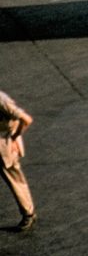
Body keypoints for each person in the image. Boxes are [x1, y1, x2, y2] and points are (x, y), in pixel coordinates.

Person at [0, 89, 35, 233]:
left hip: (3, 144)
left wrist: (14, 138)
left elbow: (26, 119)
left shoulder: (1, 100)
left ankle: (28, 213)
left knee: (13, 178)